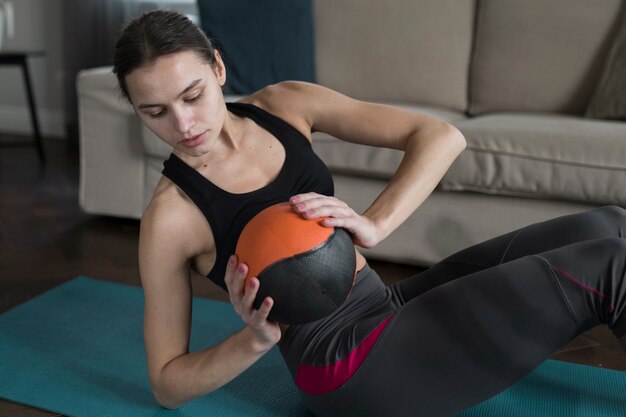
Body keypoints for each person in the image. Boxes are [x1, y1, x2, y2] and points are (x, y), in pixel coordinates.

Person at [113, 10, 626, 417]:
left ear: (219, 69)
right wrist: (255, 339)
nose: (182, 123)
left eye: (193, 95)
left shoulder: (284, 105)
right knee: (612, 265)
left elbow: (440, 136)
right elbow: (166, 384)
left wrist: (375, 222)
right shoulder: (171, 217)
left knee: (610, 223)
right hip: (345, 368)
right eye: (154, 111)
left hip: (387, 307)